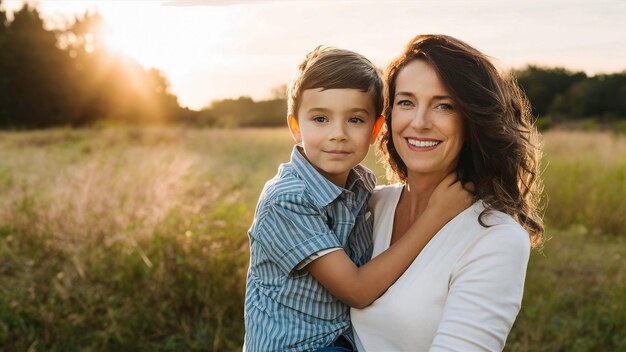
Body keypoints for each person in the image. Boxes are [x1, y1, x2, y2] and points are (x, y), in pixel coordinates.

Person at [243, 46, 474, 352]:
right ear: (296, 128)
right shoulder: (287, 200)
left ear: (376, 129)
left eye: (354, 120)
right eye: (320, 119)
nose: (337, 133)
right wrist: (435, 215)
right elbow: (357, 290)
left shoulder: (362, 186)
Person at [351, 34, 544, 351]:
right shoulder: (367, 204)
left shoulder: (496, 237)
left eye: (444, 105)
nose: (420, 122)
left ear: (472, 120)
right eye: (406, 102)